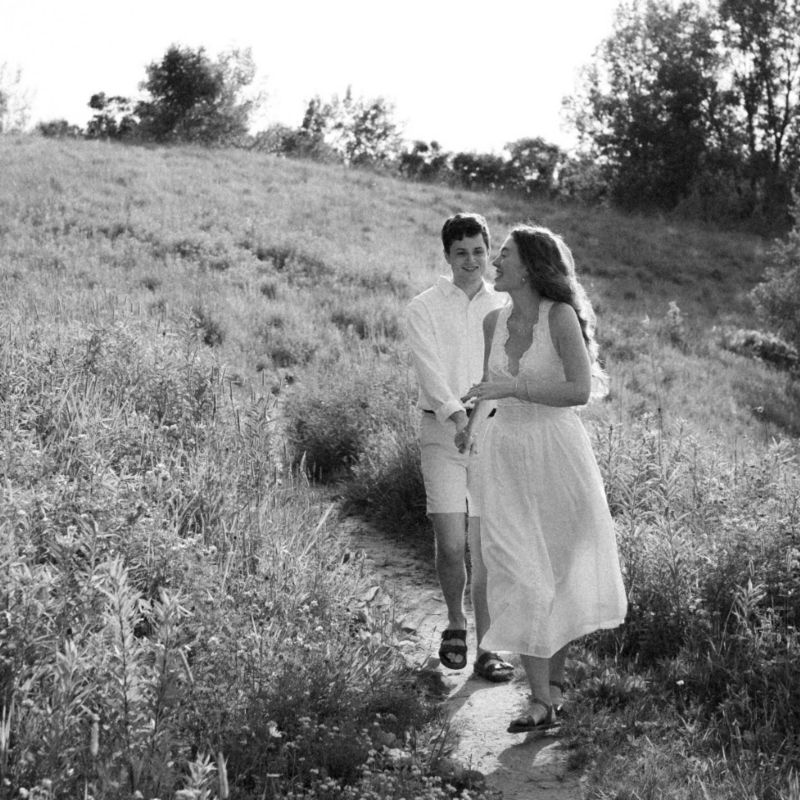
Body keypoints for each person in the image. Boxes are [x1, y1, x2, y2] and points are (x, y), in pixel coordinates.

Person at [459, 224, 627, 732]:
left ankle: (551, 690)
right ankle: (538, 699)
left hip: (557, 453)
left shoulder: (560, 317)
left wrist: (516, 387)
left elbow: (579, 391)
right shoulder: (493, 321)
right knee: (521, 574)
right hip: (504, 454)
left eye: (504, 255)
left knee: (558, 574)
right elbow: (491, 387)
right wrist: (469, 427)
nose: (494, 262)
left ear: (530, 268)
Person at [405, 212, 513, 682]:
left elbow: (505, 370)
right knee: (451, 544)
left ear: (488, 252)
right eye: (461, 253)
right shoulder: (424, 307)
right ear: (447, 255)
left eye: (478, 252)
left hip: (492, 433)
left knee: (486, 547)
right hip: (442, 432)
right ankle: (455, 622)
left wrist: (478, 419)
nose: (471, 261)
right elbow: (430, 372)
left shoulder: (505, 304)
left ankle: (490, 646)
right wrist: (456, 417)